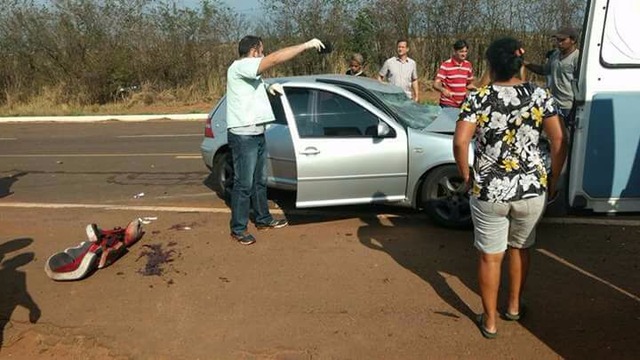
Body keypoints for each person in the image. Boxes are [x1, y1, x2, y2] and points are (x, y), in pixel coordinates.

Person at [453, 37, 567, 339]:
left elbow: (460, 142)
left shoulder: (477, 97)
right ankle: (514, 307)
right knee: (520, 247)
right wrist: (553, 178)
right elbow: (559, 140)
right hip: (530, 187)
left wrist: (467, 176)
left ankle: (489, 321)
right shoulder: (540, 96)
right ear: (519, 62)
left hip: (489, 189)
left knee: (491, 256)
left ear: (490, 65)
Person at [226, 35, 325, 245]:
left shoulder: (249, 71)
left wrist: (267, 88)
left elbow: (253, 87)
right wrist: (305, 46)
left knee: (259, 181)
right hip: (243, 135)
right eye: (261, 50)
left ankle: (263, 219)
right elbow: (274, 59)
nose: (263, 54)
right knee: (243, 184)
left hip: (257, 132)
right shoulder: (240, 66)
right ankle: (238, 228)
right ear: (254, 51)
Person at [525, 27, 580, 124]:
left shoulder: (577, 58)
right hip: (554, 103)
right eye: (558, 40)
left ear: (573, 40)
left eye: (563, 40)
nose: (559, 43)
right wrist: (524, 63)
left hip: (569, 106)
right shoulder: (555, 55)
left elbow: (580, 85)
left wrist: (575, 108)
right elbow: (544, 70)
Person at [434, 39, 477, 107]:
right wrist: (443, 90)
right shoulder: (446, 65)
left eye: (466, 51)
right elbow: (436, 84)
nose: (464, 54)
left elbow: (468, 84)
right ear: (455, 51)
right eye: (461, 52)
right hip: (448, 103)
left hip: (462, 104)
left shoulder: (468, 65)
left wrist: (477, 89)